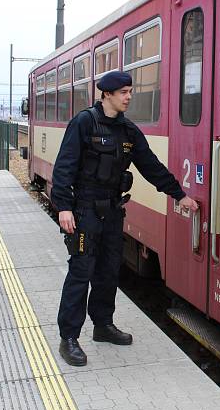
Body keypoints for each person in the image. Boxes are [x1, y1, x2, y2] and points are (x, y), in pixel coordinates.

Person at [51, 70, 198, 367]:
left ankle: (103, 326)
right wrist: (63, 207)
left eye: (130, 91)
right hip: (85, 210)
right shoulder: (83, 123)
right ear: (107, 94)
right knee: (81, 273)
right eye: (124, 92)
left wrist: (179, 195)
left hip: (113, 211)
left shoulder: (128, 131)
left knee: (108, 273)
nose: (129, 97)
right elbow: (64, 167)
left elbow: (151, 166)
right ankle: (69, 338)